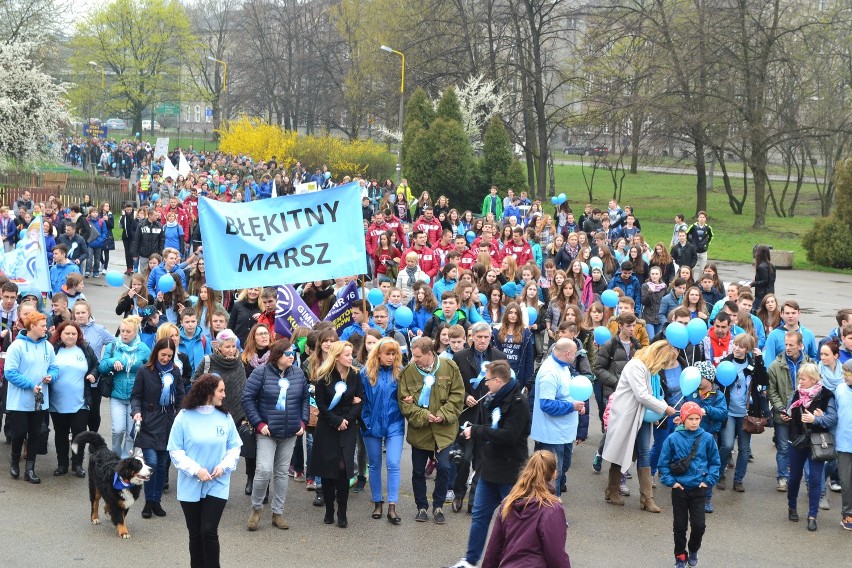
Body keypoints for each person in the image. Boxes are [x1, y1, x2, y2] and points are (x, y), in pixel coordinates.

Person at [449, 360, 530, 568]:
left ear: (498, 380)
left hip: (510, 471)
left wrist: (476, 431)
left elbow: (509, 436)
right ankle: (470, 559)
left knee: (513, 521)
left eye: (487, 380)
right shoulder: (492, 399)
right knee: (479, 516)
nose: (485, 385)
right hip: (489, 468)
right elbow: (490, 428)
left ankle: (513, 562)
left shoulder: (519, 403)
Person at [168, 374, 241, 568]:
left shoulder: (225, 417)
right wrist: (196, 470)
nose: (224, 395)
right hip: (191, 484)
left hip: (217, 482)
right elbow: (175, 450)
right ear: (209, 393)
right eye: (221, 391)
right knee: (195, 533)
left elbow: (234, 447)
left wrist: (224, 465)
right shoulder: (184, 417)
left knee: (208, 530)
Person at [242, 338, 310, 531]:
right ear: (278, 355)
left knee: (281, 473)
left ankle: (277, 512)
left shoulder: (298, 373)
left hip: (290, 432)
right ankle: (256, 509)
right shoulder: (260, 373)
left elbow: (305, 399)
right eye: (288, 353)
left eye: (293, 353)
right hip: (267, 431)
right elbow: (247, 398)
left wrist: (303, 422)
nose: (291, 356)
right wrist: (259, 423)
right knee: (263, 471)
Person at [602, 341, 678, 510]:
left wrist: (659, 411)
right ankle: (612, 490)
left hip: (641, 415)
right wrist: (664, 408)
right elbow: (642, 395)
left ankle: (647, 498)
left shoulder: (650, 369)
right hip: (628, 415)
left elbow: (655, 394)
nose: (665, 366)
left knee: (643, 451)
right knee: (622, 452)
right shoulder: (636, 366)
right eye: (665, 362)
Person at [398, 336, 465, 524]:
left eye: (418, 356)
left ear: (430, 354)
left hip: (444, 431)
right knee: (418, 471)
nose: (414, 359)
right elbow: (405, 403)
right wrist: (423, 415)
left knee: (444, 468)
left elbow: (458, 395)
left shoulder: (449, 367)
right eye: (413, 355)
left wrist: (443, 413)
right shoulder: (408, 373)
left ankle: (437, 506)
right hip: (421, 432)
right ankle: (421, 507)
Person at [480, 450, 571, 568]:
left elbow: (494, 549)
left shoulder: (509, 503)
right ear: (554, 474)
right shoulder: (551, 508)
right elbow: (556, 555)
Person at [658, 401, 721, 568]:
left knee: (699, 525)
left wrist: (707, 481)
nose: (694, 422)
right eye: (690, 418)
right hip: (680, 489)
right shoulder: (672, 439)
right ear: (683, 419)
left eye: (697, 418)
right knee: (679, 526)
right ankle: (680, 556)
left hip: (699, 489)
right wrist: (671, 482)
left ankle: (693, 549)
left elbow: (715, 463)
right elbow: (663, 464)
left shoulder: (707, 438)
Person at [311, 340, 364, 528]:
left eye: (352, 354)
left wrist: (346, 420)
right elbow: (321, 404)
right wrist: (336, 421)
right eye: (348, 355)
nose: (351, 358)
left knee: (343, 469)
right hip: (327, 427)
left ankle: (342, 511)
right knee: (328, 470)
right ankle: (329, 510)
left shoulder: (355, 375)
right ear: (337, 356)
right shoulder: (323, 376)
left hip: (348, 428)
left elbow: (360, 401)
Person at [780, 362, 838, 532]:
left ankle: (812, 515)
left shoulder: (827, 395)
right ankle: (792, 506)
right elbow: (789, 410)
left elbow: (832, 419)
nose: (800, 381)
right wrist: (786, 416)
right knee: (795, 477)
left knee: (814, 479)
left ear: (813, 379)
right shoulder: (797, 393)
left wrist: (816, 419)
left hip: (817, 443)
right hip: (796, 440)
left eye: (803, 378)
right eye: (800, 377)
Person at [132, 337, 185, 519]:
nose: (166, 359)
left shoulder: (175, 372)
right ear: (156, 353)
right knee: (152, 462)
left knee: (163, 464)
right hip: (148, 420)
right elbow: (136, 396)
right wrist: (136, 412)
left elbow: (180, 398)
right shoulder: (144, 371)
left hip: (168, 422)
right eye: (163, 355)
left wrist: (180, 415)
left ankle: (156, 501)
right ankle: (148, 501)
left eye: (169, 356)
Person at [5, 311, 59, 483]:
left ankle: (30, 469)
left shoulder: (48, 346)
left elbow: (54, 367)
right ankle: (14, 462)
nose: (46, 328)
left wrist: (51, 376)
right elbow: (10, 373)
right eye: (43, 325)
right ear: (32, 326)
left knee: (35, 434)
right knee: (19, 433)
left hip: (39, 400)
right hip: (19, 400)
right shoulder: (17, 346)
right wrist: (30, 385)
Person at [359, 338, 406, 524]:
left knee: (393, 463)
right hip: (371, 423)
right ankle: (377, 502)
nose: (391, 357)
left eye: (394, 354)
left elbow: (409, 394)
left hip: (395, 423)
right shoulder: (365, 373)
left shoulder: (400, 373)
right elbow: (358, 397)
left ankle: (392, 506)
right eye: (388, 353)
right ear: (378, 353)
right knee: (375, 464)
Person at [717, 334, 768, 493]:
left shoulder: (752, 364)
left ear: (748, 350)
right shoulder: (726, 362)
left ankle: (738, 480)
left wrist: (759, 360)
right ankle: (719, 475)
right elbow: (718, 382)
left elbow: (763, 381)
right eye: (736, 345)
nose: (737, 349)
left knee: (744, 449)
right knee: (727, 445)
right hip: (729, 411)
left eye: (741, 346)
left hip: (746, 413)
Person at [49, 321, 98, 477]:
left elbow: (97, 365)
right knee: (61, 434)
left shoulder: (85, 349)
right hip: (57, 402)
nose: (70, 336)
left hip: (80, 401)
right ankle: (62, 464)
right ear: (60, 334)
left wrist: (93, 375)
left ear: (78, 335)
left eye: (73, 334)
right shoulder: (53, 349)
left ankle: (77, 464)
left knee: (79, 434)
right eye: (67, 333)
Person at [767, 330, 814, 492]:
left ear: (800, 346)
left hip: (803, 415)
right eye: (786, 344)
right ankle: (782, 478)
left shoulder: (809, 365)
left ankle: (809, 482)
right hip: (782, 415)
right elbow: (771, 391)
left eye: (791, 345)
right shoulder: (775, 365)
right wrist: (782, 409)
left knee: (806, 447)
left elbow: (815, 388)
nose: (788, 347)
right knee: (783, 448)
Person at [99, 315, 153, 458]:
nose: (124, 334)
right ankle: (115, 456)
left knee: (131, 432)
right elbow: (102, 368)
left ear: (135, 332)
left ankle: (125, 460)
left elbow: (151, 369)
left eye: (128, 331)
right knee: (118, 429)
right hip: (117, 395)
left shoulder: (143, 349)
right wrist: (113, 361)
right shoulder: (113, 347)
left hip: (136, 397)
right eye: (122, 331)